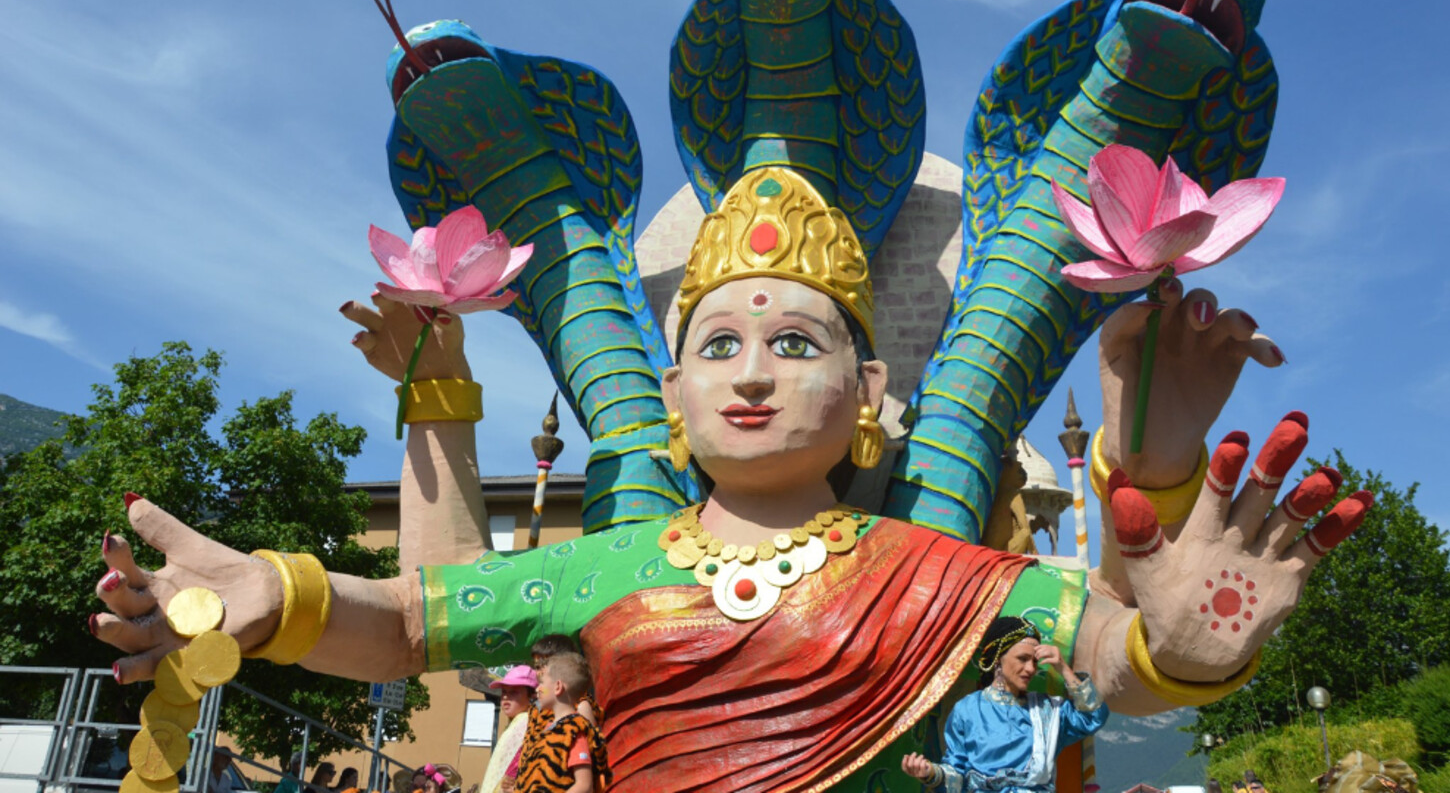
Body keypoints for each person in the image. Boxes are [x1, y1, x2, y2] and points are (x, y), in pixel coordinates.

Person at [95, 167, 1370, 792]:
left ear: (869, 393)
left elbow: (1110, 652)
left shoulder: (942, 573)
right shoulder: (611, 568)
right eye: (718, 346)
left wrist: (1176, 612)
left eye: (796, 343)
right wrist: (278, 590)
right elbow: (412, 621)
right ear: (670, 399)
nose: (752, 371)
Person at [901, 616, 1107, 791]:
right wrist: (930, 773)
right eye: (1023, 659)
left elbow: (1093, 716)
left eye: (1035, 661)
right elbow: (956, 774)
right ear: (998, 659)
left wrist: (1063, 668)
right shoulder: (967, 710)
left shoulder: (1048, 710)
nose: (1031, 669)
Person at [512, 654, 607, 793]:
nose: (537, 689)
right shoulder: (548, 729)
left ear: (558, 687)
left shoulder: (573, 730)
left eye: (542, 683)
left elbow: (584, 785)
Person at [481, 665, 538, 793]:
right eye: (504, 692)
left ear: (532, 696)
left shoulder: (525, 722)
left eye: (513, 692)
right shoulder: (515, 723)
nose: (505, 697)